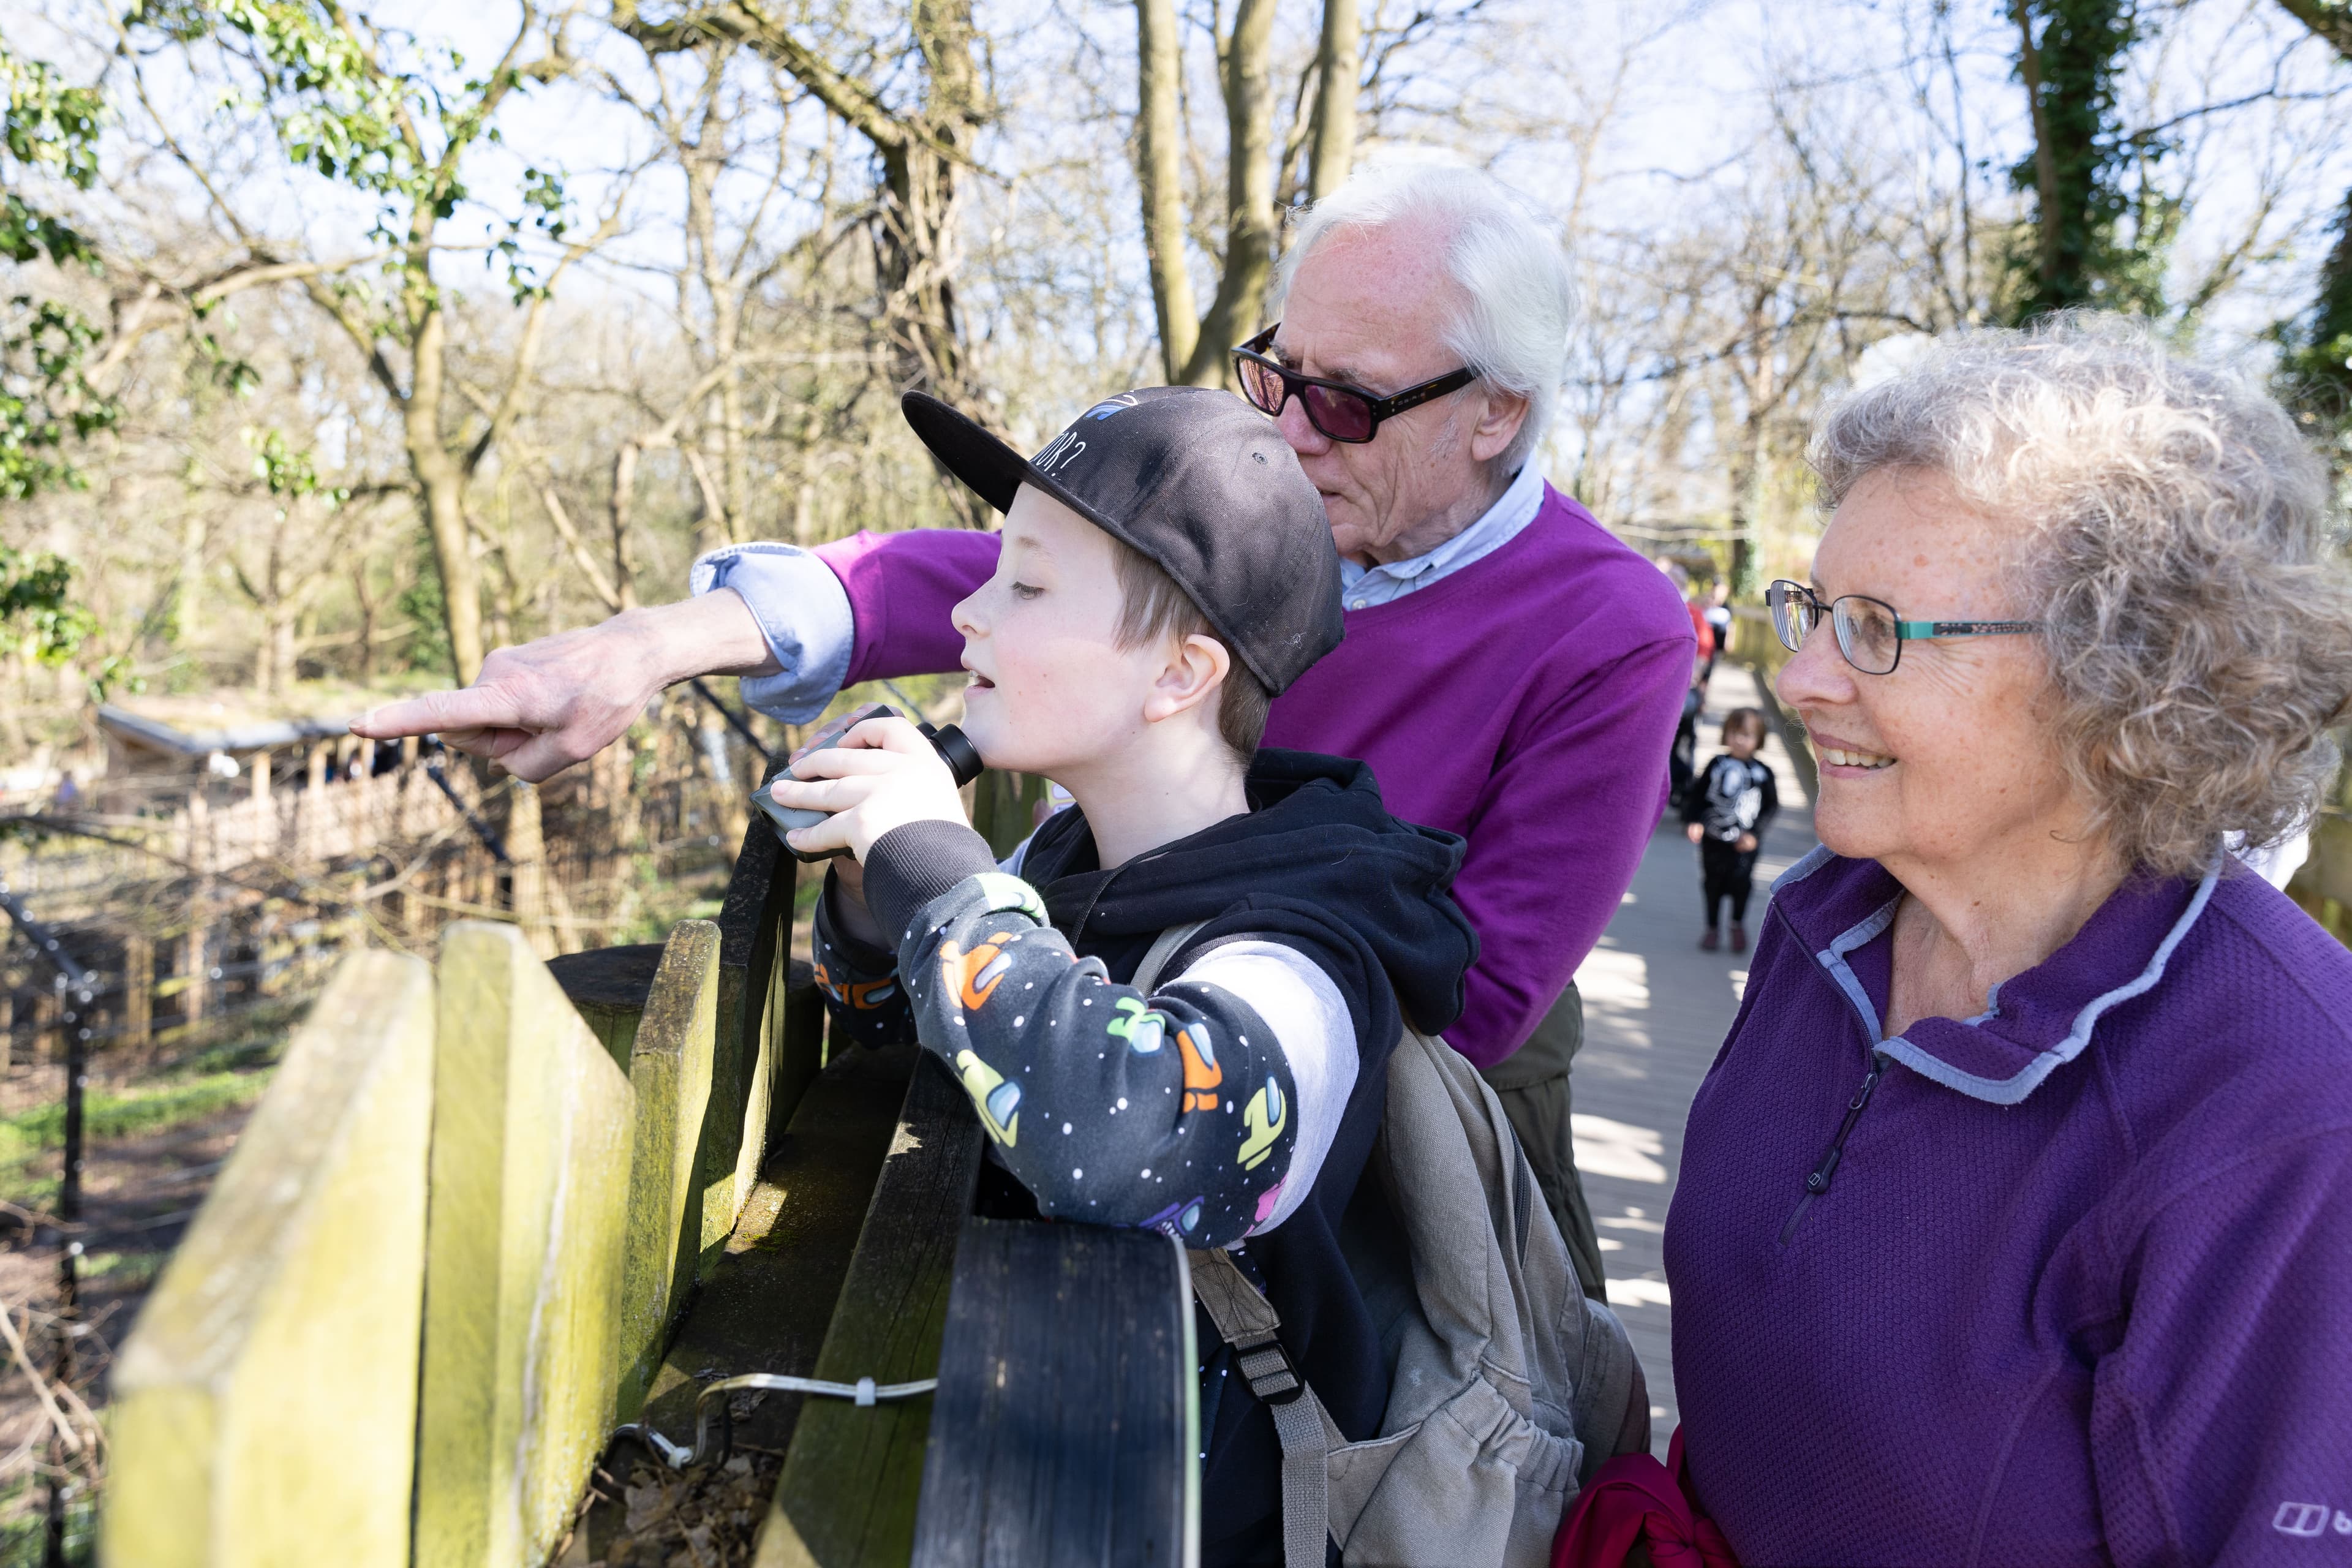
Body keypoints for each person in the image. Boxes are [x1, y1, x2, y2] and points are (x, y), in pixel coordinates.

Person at [350, 163, 1695, 1302]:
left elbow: (1476, 987)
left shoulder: (1611, 626)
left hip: (1407, 1061)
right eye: (1275, 372)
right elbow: (977, 581)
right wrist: (649, 648)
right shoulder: (1282, 486)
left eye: (1342, 401)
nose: (1284, 429)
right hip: (1157, 955)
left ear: (1496, 412)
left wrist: (978, 901)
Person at [1664, 315, 2352, 1565]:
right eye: (1813, 604)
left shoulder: (2289, 1107)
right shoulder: (1831, 924)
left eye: (1875, 623)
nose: (1806, 675)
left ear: (2120, 681)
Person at [777, 383, 1477, 1567]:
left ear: (1179, 675)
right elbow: (949, 1057)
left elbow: (1134, 1136)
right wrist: (868, 901)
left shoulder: (1311, 945)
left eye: (1030, 586)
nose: (969, 613)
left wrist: (938, 872)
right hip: (1029, 1476)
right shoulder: (1063, 861)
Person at [1679, 706, 1777, 952]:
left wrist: (1755, 835)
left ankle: (1737, 924)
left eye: (1747, 734)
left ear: (1759, 739)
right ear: (1726, 734)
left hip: (1744, 843)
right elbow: (1698, 795)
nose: (1740, 740)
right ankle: (1712, 927)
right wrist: (1695, 820)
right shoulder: (1716, 764)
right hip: (1713, 839)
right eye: (1735, 733)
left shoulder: (1763, 774)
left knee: (1741, 883)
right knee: (1711, 883)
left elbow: (1770, 807)